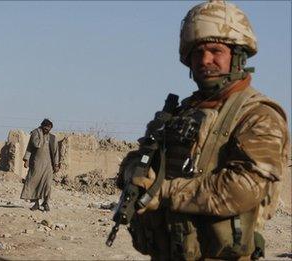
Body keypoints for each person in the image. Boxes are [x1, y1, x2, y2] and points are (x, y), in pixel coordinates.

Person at [119, 1, 290, 260]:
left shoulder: (259, 115)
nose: (204, 60)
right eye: (197, 53)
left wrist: (162, 192)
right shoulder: (182, 112)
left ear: (238, 56)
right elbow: (144, 156)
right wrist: (132, 170)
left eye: (215, 50)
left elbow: (242, 189)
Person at [20, 119, 60, 212]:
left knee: (47, 185)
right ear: (42, 126)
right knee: (34, 183)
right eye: (45, 127)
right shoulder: (36, 134)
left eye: (49, 128)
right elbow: (34, 145)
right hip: (36, 164)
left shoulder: (52, 138)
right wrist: (26, 160)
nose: (47, 130)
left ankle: (45, 202)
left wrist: (56, 164)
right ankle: (36, 203)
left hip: (48, 166)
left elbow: (56, 152)